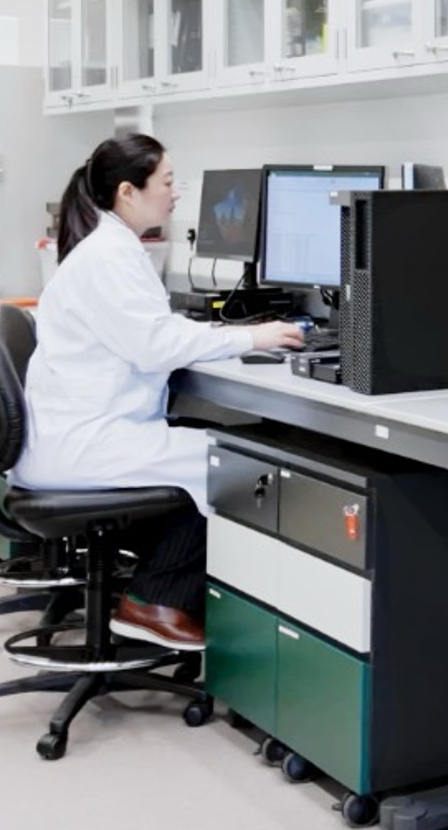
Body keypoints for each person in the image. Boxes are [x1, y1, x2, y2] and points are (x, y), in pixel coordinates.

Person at [15, 134, 303, 650]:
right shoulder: (108, 256)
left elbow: (149, 333)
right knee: (235, 461)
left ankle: (156, 592)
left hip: (78, 438)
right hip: (86, 446)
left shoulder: (109, 247)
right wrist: (251, 336)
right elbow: (154, 344)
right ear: (128, 191)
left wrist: (223, 338)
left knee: (208, 440)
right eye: (168, 182)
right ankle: (154, 602)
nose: (175, 194)